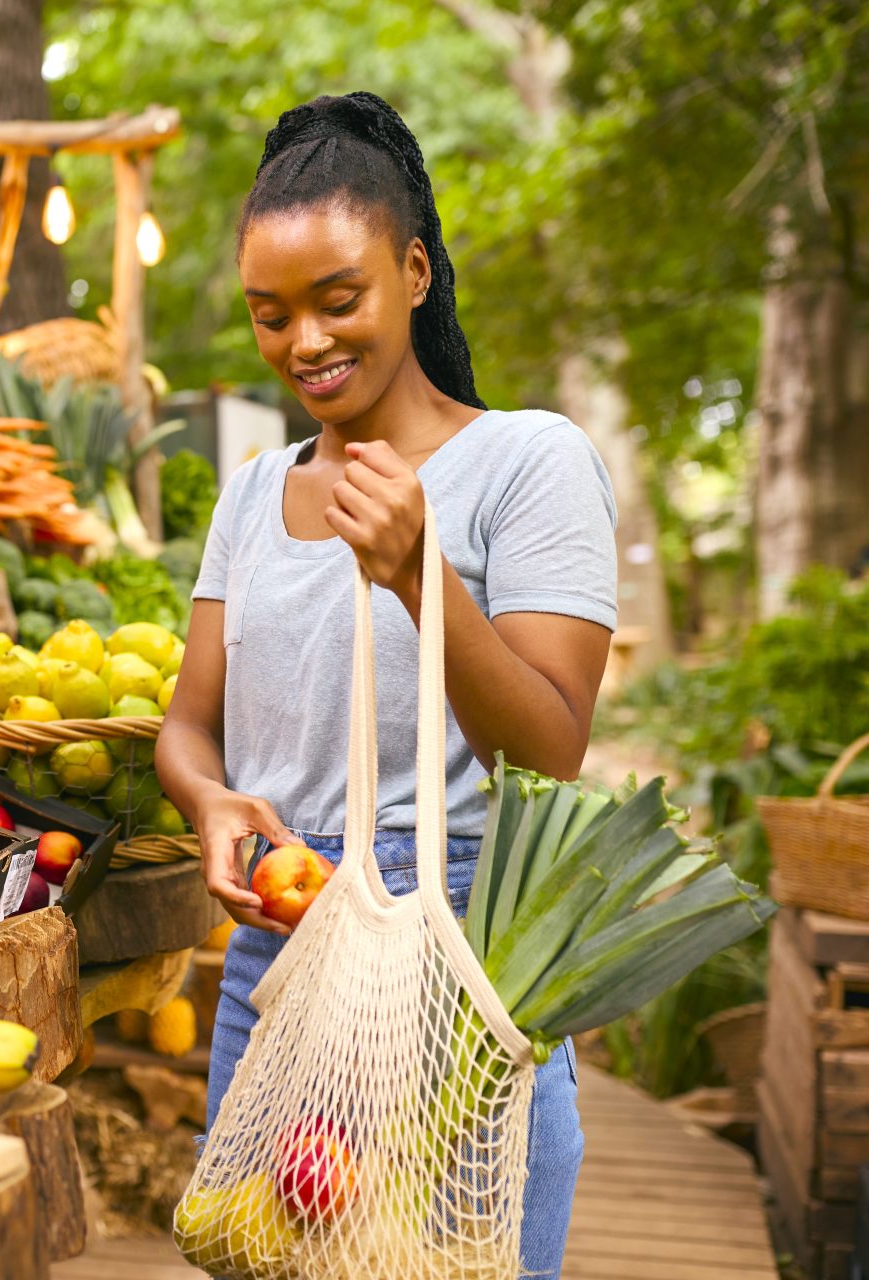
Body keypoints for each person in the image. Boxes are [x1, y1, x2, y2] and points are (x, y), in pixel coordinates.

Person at [155, 91, 617, 1277]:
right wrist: (211, 805)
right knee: (265, 1254)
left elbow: (549, 750)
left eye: (336, 299)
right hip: (282, 956)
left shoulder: (527, 461)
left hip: (464, 960)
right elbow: (189, 728)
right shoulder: (253, 495)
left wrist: (422, 577)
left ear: (414, 270)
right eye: (270, 316)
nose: (303, 341)